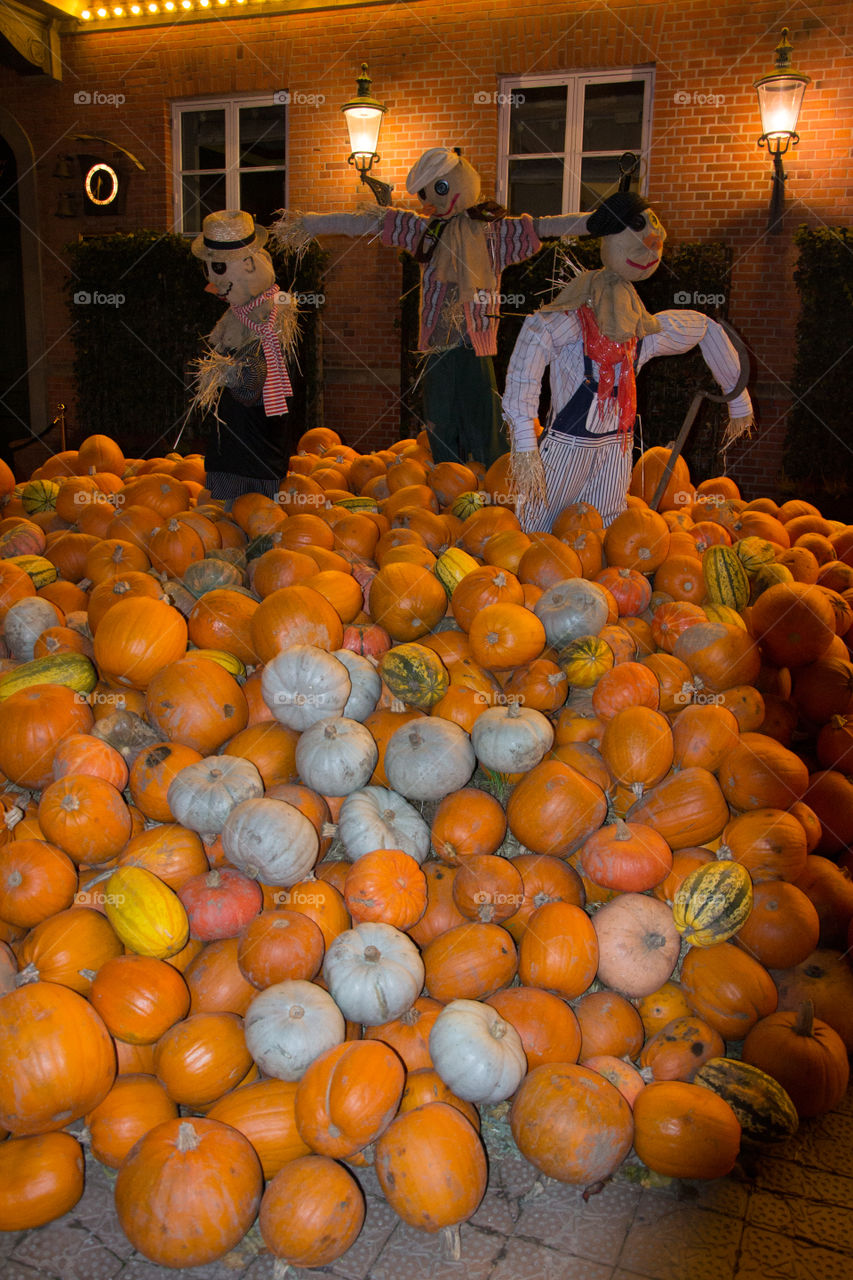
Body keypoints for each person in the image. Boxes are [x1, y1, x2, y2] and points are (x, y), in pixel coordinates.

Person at [275, 148, 587, 468]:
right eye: (427, 193)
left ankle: (493, 477)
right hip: (437, 348)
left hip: (474, 344)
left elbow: (545, 226)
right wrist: (309, 224)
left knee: (484, 417)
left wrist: (602, 223)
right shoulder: (425, 231)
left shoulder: (493, 232)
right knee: (440, 419)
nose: (433, 201)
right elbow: (366, 223)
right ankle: (446, 477)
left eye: (439, 188)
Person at [502, 191, 753, 529]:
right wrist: (523, 440)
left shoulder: (641, 331)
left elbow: (702, 327)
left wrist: (738, 399)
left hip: (617, 449)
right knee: (538, 529)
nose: (651, 239)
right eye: (637, 227)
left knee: (606, 528)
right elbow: (533, 341)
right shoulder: (574, 320)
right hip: (567, 447)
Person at [189, 210, 300, 506]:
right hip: (233, 411)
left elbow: (258, 371)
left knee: (257, 454)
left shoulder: (272, 311)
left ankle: (258, 510)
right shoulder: (236, 312)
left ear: (248, 265)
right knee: (229, 448)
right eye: (209, 269)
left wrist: (231, 373)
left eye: (219, 269)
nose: (212, 280)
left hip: (260, 409)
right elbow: (221, 344)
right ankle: (231, 508)